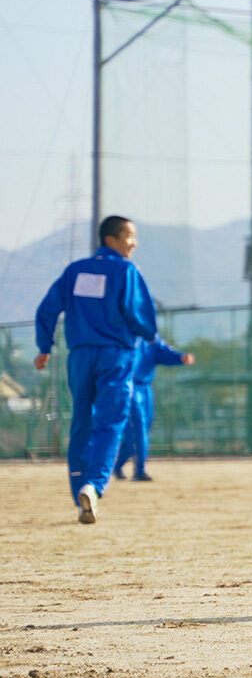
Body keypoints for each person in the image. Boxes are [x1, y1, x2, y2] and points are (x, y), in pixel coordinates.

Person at [33, 215, 161, 524]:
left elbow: (47, 308)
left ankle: (80, 493)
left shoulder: (75, 270)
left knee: (81, 423)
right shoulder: (127, 270)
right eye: (130, 236)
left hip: (79, 357)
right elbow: (138, 315)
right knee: (110, 423)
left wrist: (44, 346)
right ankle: (94, 485)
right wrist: (148, 333)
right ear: (111, 239)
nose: (134, 243)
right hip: (115, 356)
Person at [112, 335, 192, 482]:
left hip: (146, 388)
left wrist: (181, 358)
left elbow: (163, 352)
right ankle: (139, 470)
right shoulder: (123, 333)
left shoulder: (149, 336)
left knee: (142, 432)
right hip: (129, 387)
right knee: (137, 430)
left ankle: (117, 466)